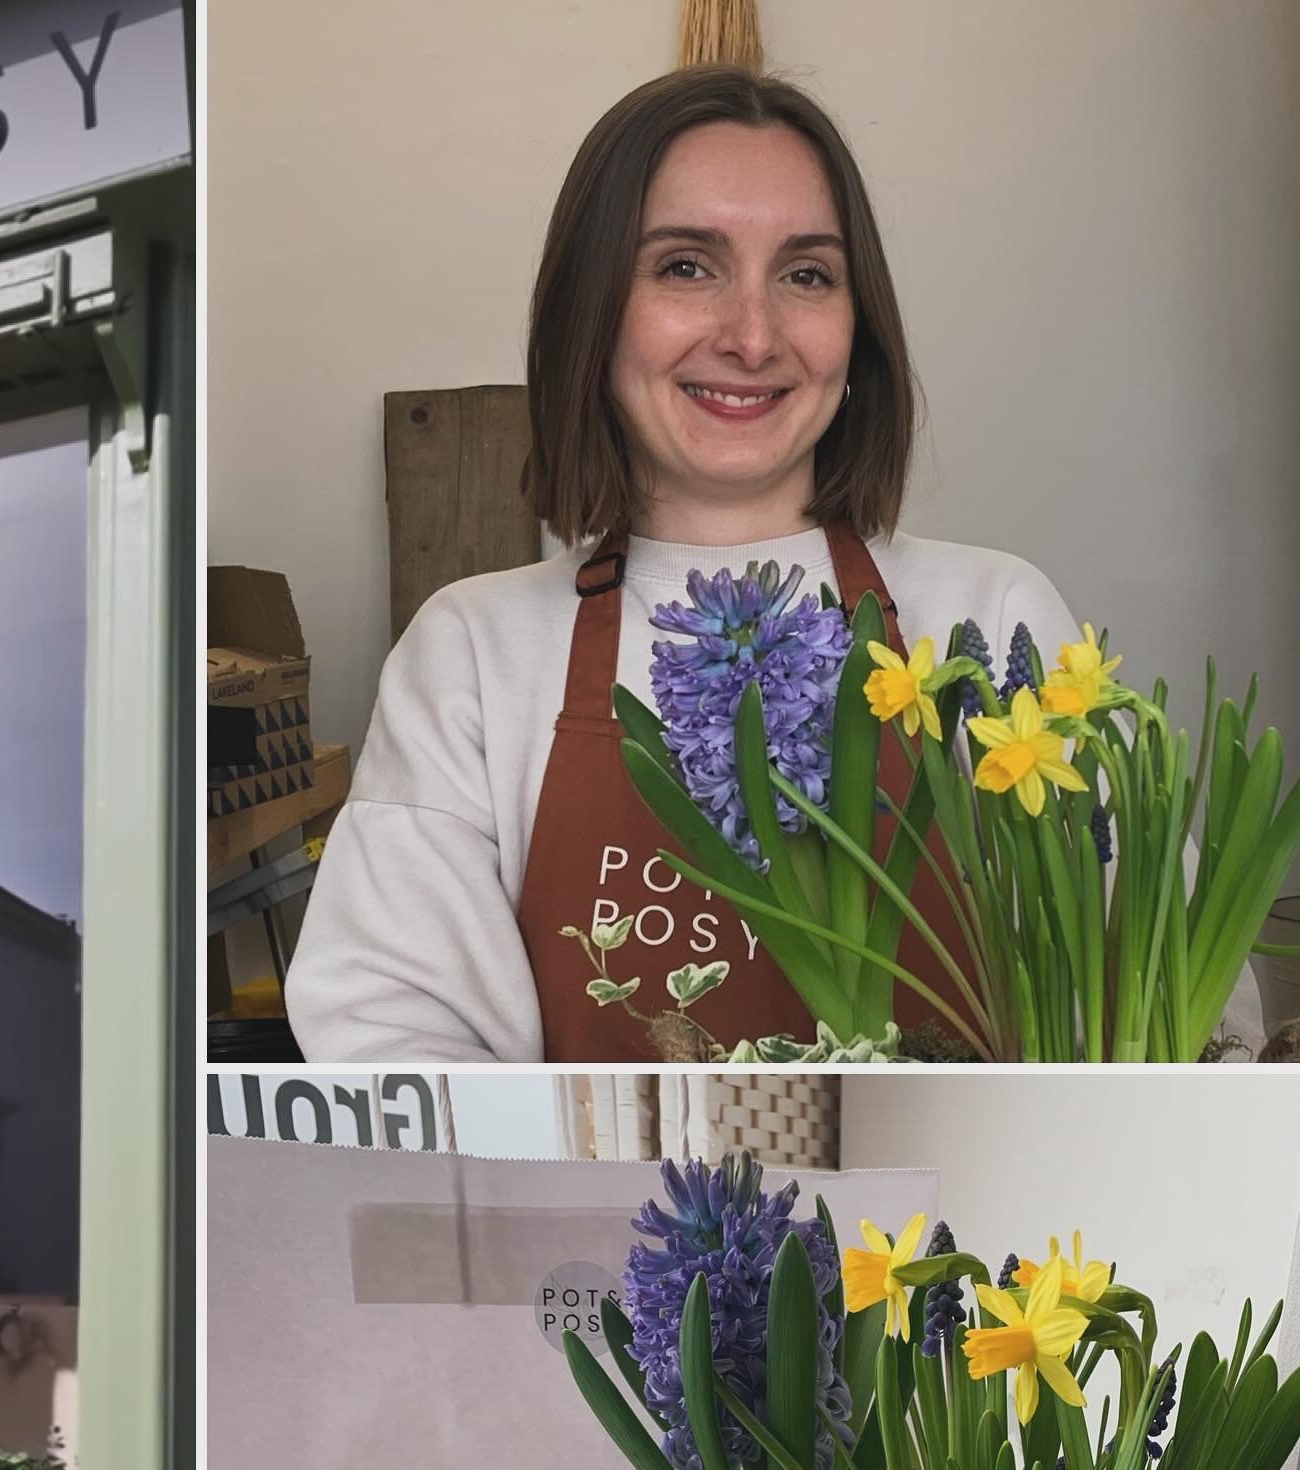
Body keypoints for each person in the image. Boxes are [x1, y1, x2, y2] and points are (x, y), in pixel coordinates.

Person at [286, 65, 1263, 1062]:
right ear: (592, 309)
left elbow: (1174, 1004)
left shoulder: (989, 615)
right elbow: (394, 1045)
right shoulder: (470, 654)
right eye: (683, 266)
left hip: (966, 1223)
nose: (750, 336)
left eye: (804, 274)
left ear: (856, 326)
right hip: (625, 1221)